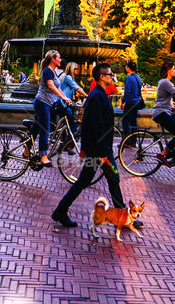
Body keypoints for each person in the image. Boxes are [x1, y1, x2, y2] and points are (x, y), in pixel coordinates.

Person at [51, 63, 143, 230]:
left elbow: (92, 125)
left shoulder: (99, 95)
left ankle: (60, 210)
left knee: (92, 180)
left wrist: (89, 149)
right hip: (100, 151)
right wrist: (101, 153)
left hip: (97, 149)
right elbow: (94, 126)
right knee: (111, 179)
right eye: (109, 74)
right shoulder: (97, 96)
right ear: (101, 76)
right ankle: (124, 217)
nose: (112, 76)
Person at [33, 51, 72, 166]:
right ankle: (43, 156)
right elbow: (50, 85)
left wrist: (65, 98)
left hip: (45, 103)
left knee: (36, 127)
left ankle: (26, 150)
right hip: (42, 103)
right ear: (53, 59)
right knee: (45, 129)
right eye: (59, 58)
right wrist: (62, 97)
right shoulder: (47, 71)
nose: (60, 60)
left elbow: (57, 87)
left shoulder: (53, 71)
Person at [56, 62, 85, 136]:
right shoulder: (68, 77)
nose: (77, 70)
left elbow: (76, 88)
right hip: (62, 103)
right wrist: (87, 95)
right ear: (72, 69)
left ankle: (64, 141)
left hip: (65, 103)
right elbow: (77, 88)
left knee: (67, 123)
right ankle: (68, 140)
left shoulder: (70, 78)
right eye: (76, 69)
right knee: (71, 122)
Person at [120, 61, 143, 142]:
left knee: (125, 121)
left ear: (128, 68)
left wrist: (123, 102)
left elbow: (127, 92)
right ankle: (133, 140)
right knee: (133, 122)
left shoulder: (129, 78)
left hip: (130, 103)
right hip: (137, 102)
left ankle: (127, 141)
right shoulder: (138, 78)